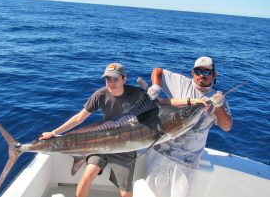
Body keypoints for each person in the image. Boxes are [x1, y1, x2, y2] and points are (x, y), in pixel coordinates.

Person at [39, 63, 144, 197]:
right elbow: (79, 118)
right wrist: (53, 133)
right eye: (108, 79)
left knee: (125, 193)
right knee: (87, 176)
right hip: (100, 144)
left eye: (116, 79)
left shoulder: (136, 93)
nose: (111, 83)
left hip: (125, 147)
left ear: (124, 79)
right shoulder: (100, 94)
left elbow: (156, 105)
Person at [145, 56, 233, 197]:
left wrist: (220, 106)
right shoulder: (181, 82)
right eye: (198, 71)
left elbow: (227, 127)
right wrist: (155, 86)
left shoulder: (218, 99)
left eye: (206, 72)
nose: (201, 75)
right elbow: (157, 71)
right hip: (160, 151)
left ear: (214, 75)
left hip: (187, 161)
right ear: (192, 73)